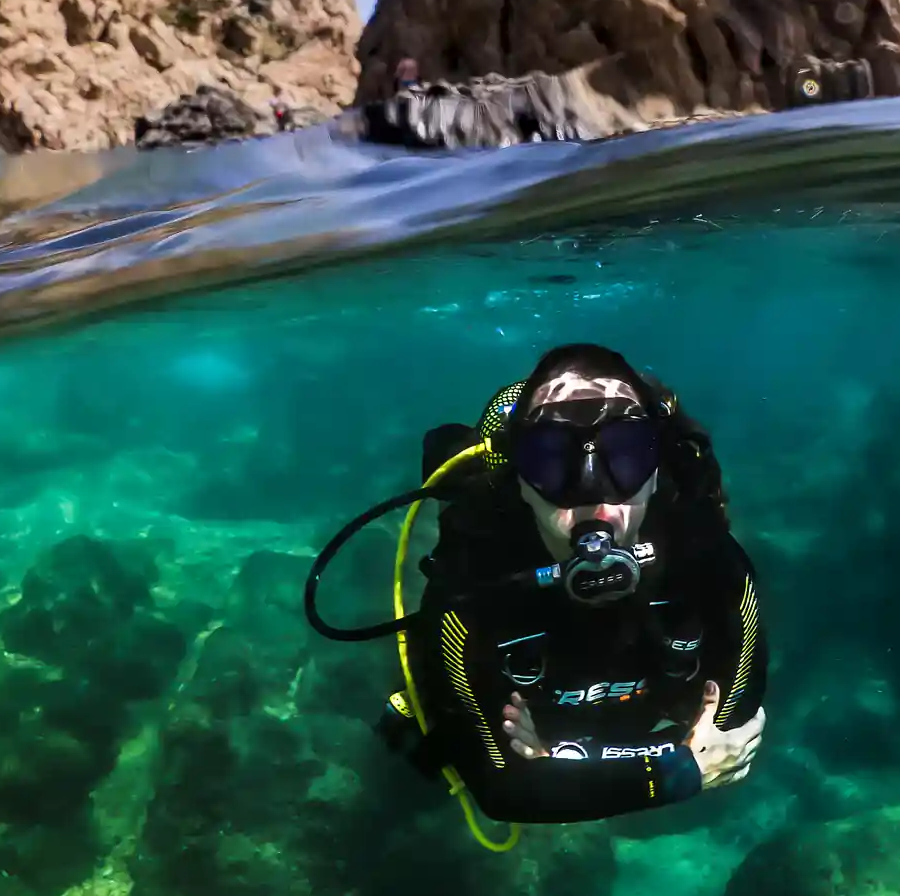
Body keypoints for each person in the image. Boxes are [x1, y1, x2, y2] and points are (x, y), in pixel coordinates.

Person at [307, 343, 768, 834]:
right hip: (612, 725)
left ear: (655, 473)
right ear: (521, 481)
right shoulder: (473, 588)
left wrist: (565, 766)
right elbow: (500, 791)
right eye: (552, 461)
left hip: (580, 728)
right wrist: (677, 770)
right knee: (411, 769)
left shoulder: (709, 561)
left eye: (626, 455)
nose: (595, 493)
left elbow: (737, 735)